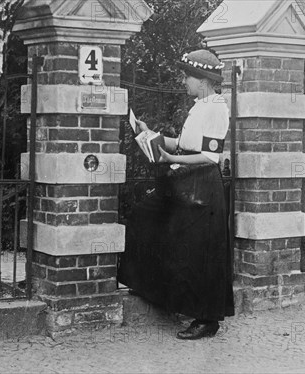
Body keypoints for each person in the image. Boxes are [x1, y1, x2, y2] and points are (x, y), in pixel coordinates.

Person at [118, 49, 234, 340]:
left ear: (203, 81)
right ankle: (150, 286)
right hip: (184, 178)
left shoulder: (217, 108)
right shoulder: (200, 104)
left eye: (188, 76)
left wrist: (170, 159)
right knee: (146, 216)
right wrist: (151, 134)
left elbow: (210, 157)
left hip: (202, 184)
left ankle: (207, 320)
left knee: (198, 251)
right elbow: (184, 143)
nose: (184, 81)